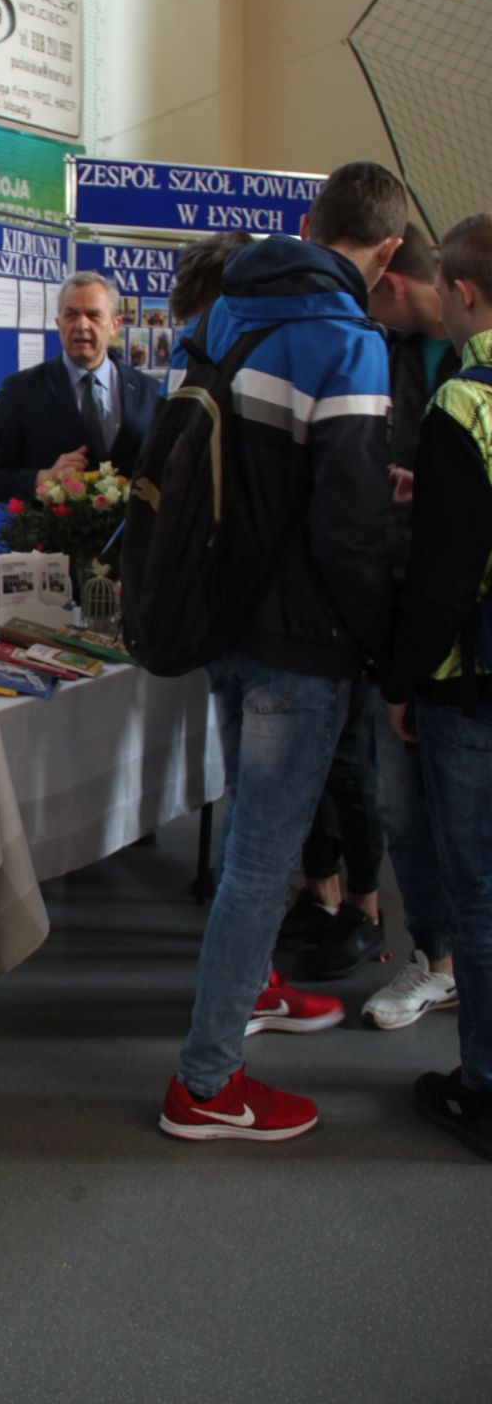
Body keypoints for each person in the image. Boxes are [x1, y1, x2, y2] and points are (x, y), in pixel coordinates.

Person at [157, 161, 406, 1145]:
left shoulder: (226, 312)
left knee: (248, 841)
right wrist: (384, 647)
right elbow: (347, 532)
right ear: (390, 251)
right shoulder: (349, 341)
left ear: (307, 224)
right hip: (300, 646)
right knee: (264, 859)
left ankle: (254, 986)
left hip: (222, 621)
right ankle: (206, 1082)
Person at [379, 214, 492, 1158]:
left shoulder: (463, 400)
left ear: (461, 293)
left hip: (472, 684)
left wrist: (402, 680)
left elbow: (447, 580)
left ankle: (484, 1086)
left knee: (478, 891)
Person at [358, 225, 461, 1026]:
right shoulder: (386, 354)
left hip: (461, 616)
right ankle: (438, 958)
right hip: (399, 606)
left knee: (463, 810)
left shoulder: (469, 365)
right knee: (404, 802)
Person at [0, 273, 160, 504]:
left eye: (93, 315)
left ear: (114, 325)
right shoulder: (21, 390)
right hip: (53, 526)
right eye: (71, 315)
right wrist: (44, 478)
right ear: (58, 324)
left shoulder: (149, 391)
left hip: (130, 528)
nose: (82, 325)